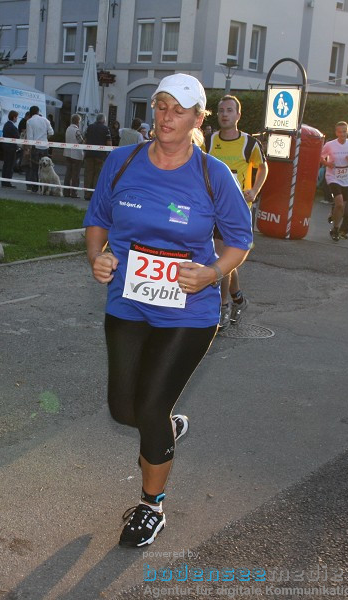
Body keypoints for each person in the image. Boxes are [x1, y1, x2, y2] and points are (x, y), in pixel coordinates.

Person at [83, 73, 252, 548]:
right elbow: (97, 220)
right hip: (127, 301)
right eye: (160, 107)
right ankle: (164, 429)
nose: (166, 117)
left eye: (178, 110)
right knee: (123, 408)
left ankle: (150, 506)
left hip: (189, 310)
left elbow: (240, 240)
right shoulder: (123, 161)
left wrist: (213, 273)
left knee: (152, 406)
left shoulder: (212, 174)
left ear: (199, 119)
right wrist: (97, 258)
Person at [207, 94, 268, 328]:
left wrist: (255, 190)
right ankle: (237, 299)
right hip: (212, 208)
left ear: (238, 115)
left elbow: (263, 167)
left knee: (223, 258)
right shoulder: (210, 141)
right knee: (224, 260)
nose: (224, 114)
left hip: (237, 211)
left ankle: (222, 307)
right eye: (221, 110)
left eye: (229, 110)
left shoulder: (249, 143)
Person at [320, 121, 348, 241]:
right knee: (340, 204)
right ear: (336, 132)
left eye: (344, 131)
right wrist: (327, 163)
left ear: (347, 132)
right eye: (340, 132)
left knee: (342, 207)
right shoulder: (330, 144)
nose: (342, 134)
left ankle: (334, 225)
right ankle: (336, 228)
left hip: (346, 177)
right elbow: (320, 156)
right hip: (333, 176)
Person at [24, 105, 53, 192]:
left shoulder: (29, 121)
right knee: (45, 168)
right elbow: (51, 132)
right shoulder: (45, 120)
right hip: (45, 146)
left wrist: (28, 149)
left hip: (35, 147)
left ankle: (35, 187)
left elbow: (30, 138)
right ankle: (44, 187)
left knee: (34, 168)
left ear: (30, 112)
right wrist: (45, 138)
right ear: (38, 111)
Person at [83, 113, 112, 201]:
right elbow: (109, 143)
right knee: (98, 175)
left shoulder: (89, 127)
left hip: (89, 154)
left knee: (88, 174)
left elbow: (85, 140)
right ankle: (95, 194)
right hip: (100, 155)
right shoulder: (106, 129)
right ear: (103, 120)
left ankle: (87, 194)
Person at [63, 114, 84, 197]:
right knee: (75, 174)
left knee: (68, 174)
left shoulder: (68, 129)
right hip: (76, 155)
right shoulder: (77, 131)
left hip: (67, 153)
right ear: (78, 121)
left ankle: (66, 192)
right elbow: (81, 142)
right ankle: (74, 192)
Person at [1, 110, 19, 188]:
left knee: (6, 165)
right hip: (11, 148)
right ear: (14, 117)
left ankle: (4, 181)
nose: (17, 119)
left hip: (6, 147)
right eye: (16, 117)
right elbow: (17, 137)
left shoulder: (6, 125)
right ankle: (8, 182)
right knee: (10, 165)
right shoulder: (12, 127)